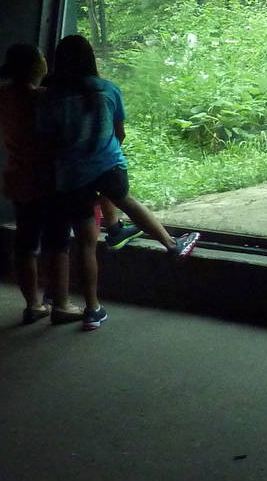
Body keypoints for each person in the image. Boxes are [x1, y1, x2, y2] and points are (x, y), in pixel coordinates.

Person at [37, 34, 199, 330]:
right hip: (108, 163)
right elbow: (119, 133)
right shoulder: (108, 90)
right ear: (91, 60)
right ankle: (171, 244)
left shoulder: (51, 98)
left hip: (71, 176)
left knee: (86, 244)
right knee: (127, 200)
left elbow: (47, 142)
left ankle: (92, 309)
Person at [0, 43, 72, 324]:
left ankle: (33, 304)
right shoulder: (43, 98)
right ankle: (61, 304)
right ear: (35, 65)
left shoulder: (1, 96)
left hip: (18, 177)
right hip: (48, 179)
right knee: (57, 242)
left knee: (25, 243)